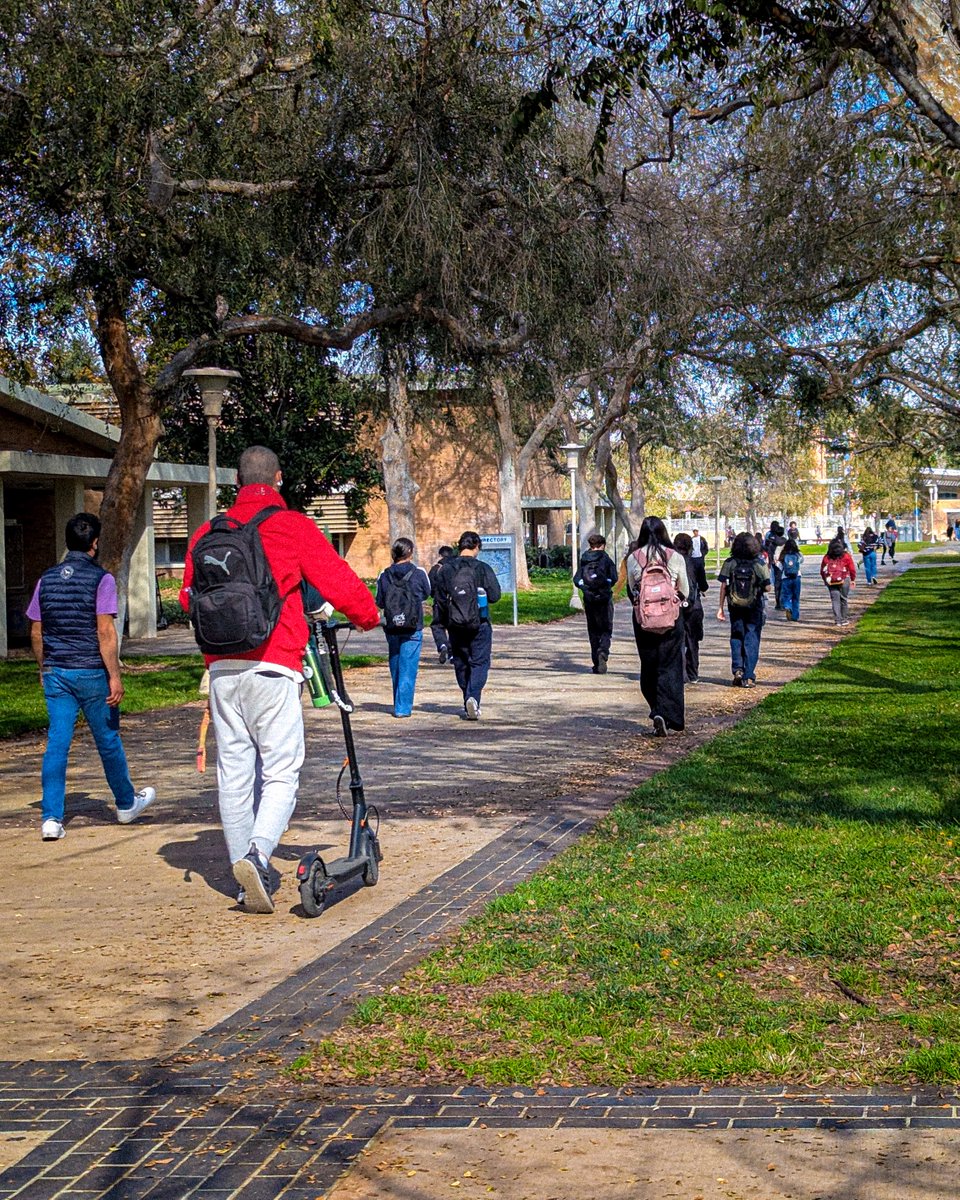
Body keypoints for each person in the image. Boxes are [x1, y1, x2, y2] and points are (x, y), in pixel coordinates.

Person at [180, 445, 379, 914]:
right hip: (274, 663)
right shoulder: (290, 525)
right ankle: (258, 853)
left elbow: (190, 596)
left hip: (221, 668)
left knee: (234, 773)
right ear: (279, 478)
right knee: (281, 769)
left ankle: (247, 876)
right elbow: (340, 582)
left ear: (237, 482)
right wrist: (370, 617)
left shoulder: (208, 532)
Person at [26, 512, 156, 841]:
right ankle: (126, 803)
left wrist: (44, 667)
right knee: (108, 741)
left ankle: (51, 818)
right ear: (95, 544)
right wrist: (115, 675)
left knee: (57, 743)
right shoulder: (102, 580)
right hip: (92, 673)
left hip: (57, 673)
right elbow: (105, 633)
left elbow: (37, 630)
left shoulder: (46, 579)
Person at [626, 516, 689, 736]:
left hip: (644, 620)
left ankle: (656, 708)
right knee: (670, 665)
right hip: (671, 619)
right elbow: (686, 591)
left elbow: (631, 590)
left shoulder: (633, 558)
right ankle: (669, 714)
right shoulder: (674, 556)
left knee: (649, 664)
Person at [433, 531, 502, 720]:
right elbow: (495, 596)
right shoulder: (482, 568)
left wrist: (441, 626)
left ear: (459, 546)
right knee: (480, 662)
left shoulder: (445, 570)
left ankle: (467, 700)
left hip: (455, 624)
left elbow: (439, 599)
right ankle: (473, 697)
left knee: (461, 662)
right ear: (477, 546)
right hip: (479, 622)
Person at [376, 537, 432, 717]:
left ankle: (398, 701)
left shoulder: (384, 575)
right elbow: (426, 593)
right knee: (408, 667)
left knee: (395, 664)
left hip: (392, 625)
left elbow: (380, 601)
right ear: (410, 552)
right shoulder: (419, 573)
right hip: (413, 626)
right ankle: (402, 708)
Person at [716, 532, 770, 688]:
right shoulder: (759, 564)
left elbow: (723, 586)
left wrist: (720, 608)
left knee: (736, 635)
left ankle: (737, 669)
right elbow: (768, 587)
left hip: (734, 606)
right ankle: (748, 675)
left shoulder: (730, 563)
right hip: (754, 606)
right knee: (752, 637)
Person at [573, 533, 618, 673]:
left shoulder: (584, 559)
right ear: (603, 545)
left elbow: (577, 579)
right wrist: (606, 586)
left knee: (593, 630)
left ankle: (595, 661)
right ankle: (603, 652)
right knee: (606, 628)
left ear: (591, 545)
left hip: (589, 599)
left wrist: (586, 588)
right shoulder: (606, 559)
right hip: (604, 598)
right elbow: (614, 577)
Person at [673, 532, 708, 684]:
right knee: (693, 641)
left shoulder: (670, 562)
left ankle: (679, 673)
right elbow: (704, 585)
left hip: (675, 605)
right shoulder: (696, 563)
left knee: (677, 641)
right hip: (694, 606)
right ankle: (693, 673)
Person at [820, 536, 857, 625]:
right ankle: (844, 619)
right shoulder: (846, 556)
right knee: (843, 599)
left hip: (831, 580)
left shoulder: (827, 557)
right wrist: (853, 579)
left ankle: (837, 620)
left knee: (835, 600)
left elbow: (822, 570)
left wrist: (825, 580)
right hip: (844, 579)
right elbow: (852, 569)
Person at [428, 545, 455, 663]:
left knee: (437, 625)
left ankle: (442, 645)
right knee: (454, 627)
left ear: (440, 555)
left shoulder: (436, 569)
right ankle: (453, 653)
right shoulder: (456, 567)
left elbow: (430, 589)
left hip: (439, 602)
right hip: (455, 603)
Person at [778, 538, 803, 621]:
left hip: (786, 577)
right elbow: (802, 561)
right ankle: (795, 616)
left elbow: (779, 566)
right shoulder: (798, 554)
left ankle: (788, 606)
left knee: (786, 595)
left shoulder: (783, 554)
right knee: (796, 597)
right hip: (797, 577)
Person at [764, 521, 787, 610]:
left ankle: (778, 602)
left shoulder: (770, 538)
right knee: (781, 582)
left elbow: (766, 548)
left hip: (774, 562)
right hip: (782, 562)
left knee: (777, 582)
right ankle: (781, 602)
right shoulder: (783, 540)